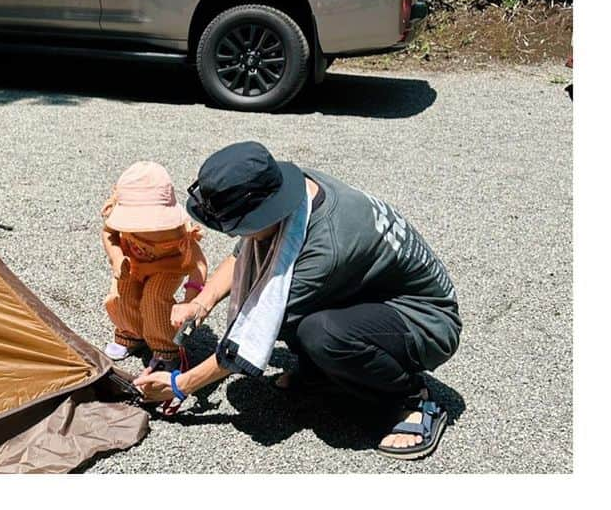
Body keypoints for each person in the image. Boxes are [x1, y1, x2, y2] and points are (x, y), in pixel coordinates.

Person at [134, 142, 461, 461]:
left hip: (425, 322)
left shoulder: (325, 248)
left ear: (263, 212)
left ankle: (412, 398)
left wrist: (181, 385)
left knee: (321, 334)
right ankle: (325, 374)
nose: (235, 235)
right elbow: (244, 256)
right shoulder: (290, 191)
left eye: (236, 227)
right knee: (293, 306)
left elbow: (261, 324)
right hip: (370, 293)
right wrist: (201, 303)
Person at [101, 161, 208, 373]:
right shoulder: (118, 219)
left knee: (154, 297)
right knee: (124, 292)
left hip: (168, 267)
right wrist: (116, 257)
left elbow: (198, 264)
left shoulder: (175, 231)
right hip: (133, 263)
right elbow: (108, 233)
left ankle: (164, 348)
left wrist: (191, 299)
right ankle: (131, 333)